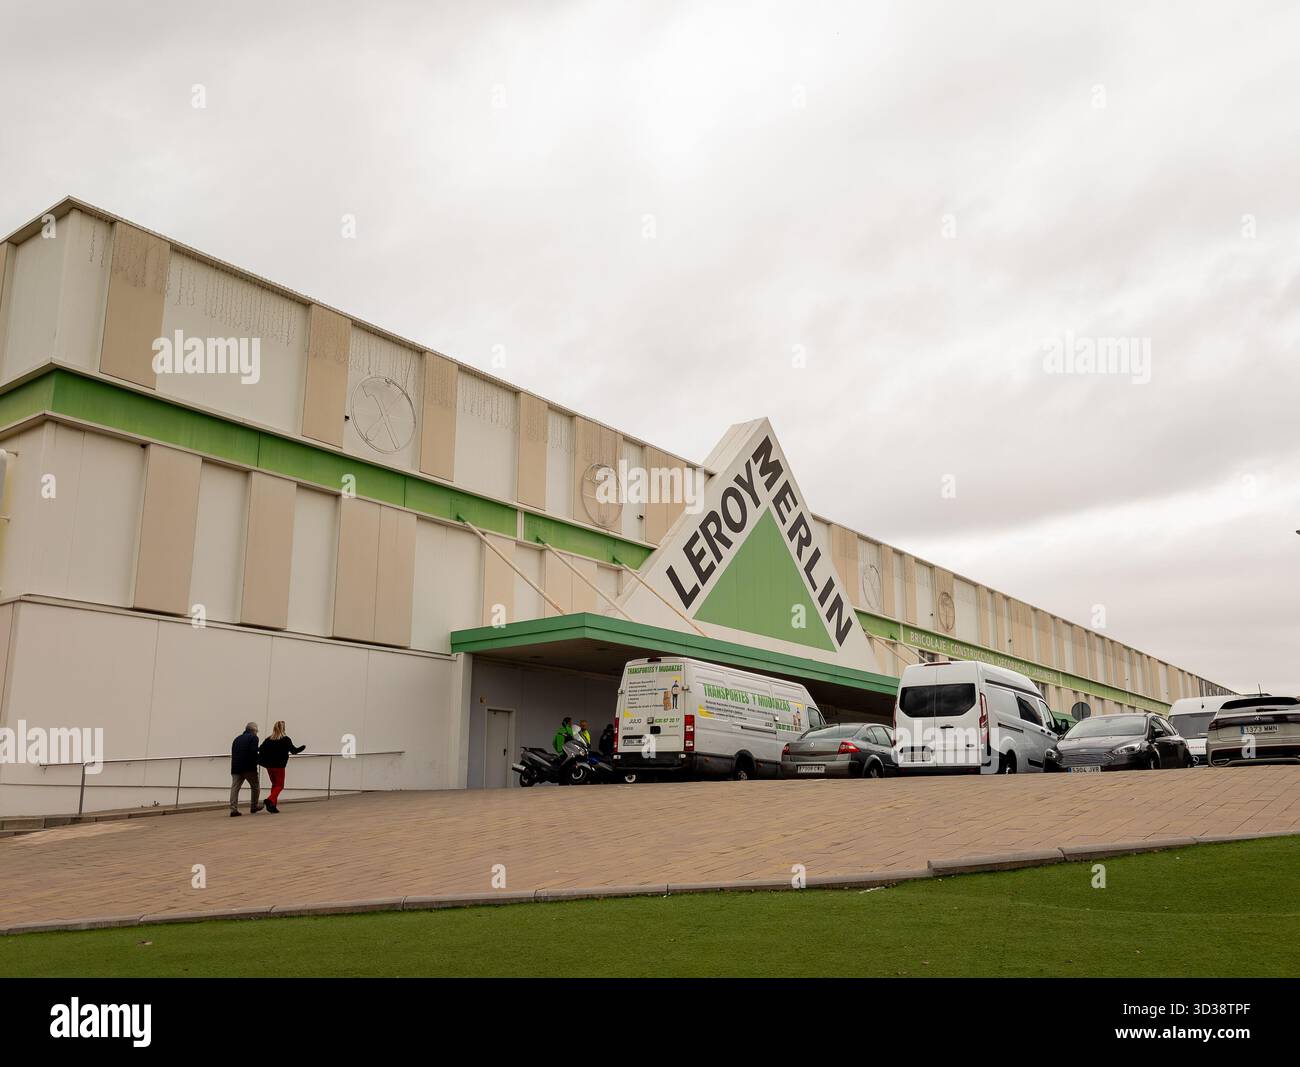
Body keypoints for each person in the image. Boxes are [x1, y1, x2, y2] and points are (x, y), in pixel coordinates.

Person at [257, 721, 306, 814]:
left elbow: (260, 749)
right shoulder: (286, 739)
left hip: (269, 766)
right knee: (280, 785)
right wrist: (303, 747)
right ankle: (269, 800)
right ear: (283, 729)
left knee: (274, 785)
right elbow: (294, 751)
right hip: (279, 766)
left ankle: (272, 806)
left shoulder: (268, 739)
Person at [229, 722, 262, 817]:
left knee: (235, 788)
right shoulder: (254, 738)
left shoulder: (237, 739)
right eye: (257, 731)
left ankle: (233, 810)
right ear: (254, 730)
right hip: (249, 767)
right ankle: (254, 806)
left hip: (236, 767)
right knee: (255, 786)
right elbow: (253, 751)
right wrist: (259, 759)